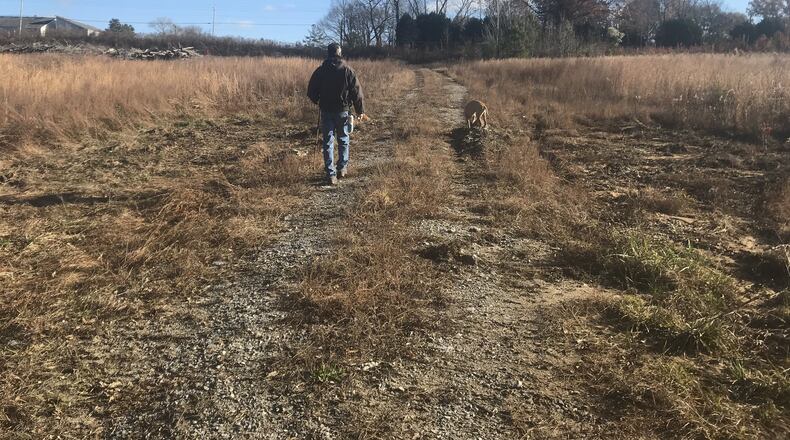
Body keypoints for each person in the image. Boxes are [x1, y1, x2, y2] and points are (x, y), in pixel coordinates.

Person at [307, 43, 367, 185]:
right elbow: (357, 93)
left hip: (326, 111)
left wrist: (318, 101)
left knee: (327, 142)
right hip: (343, 111)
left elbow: (311, 91)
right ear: (340, 53)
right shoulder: (348, 70)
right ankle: (342, 168)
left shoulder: (320, 71)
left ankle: (330, 174)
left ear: (328, 54)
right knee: (343, 139)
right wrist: (360, 111)